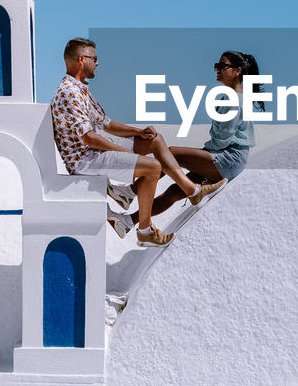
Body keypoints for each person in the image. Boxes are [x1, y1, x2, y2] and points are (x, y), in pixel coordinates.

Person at [51, 38, 222, 246]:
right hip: (85, 161)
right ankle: (145, 230)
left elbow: (105, 123)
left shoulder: (80, 89)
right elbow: (88, 137)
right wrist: (125, 153)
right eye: (94, 58)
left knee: (154, 140)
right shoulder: (69, 92)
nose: (97, 62)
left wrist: (138, 131)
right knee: (152, 168)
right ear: (81, 59)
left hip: (93, 151)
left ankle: (190, 190)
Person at [130, 51, 260, 225]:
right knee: (174, 192)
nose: (217, 70)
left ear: (237, 71)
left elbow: (221, 141)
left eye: (223, 66)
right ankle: (128, 221)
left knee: (172, 153)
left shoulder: (234, 101)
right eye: (216, 66)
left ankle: (129, 192)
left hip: (228, 160)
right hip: (227, 158)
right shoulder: (232, 98)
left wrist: (201, 152)